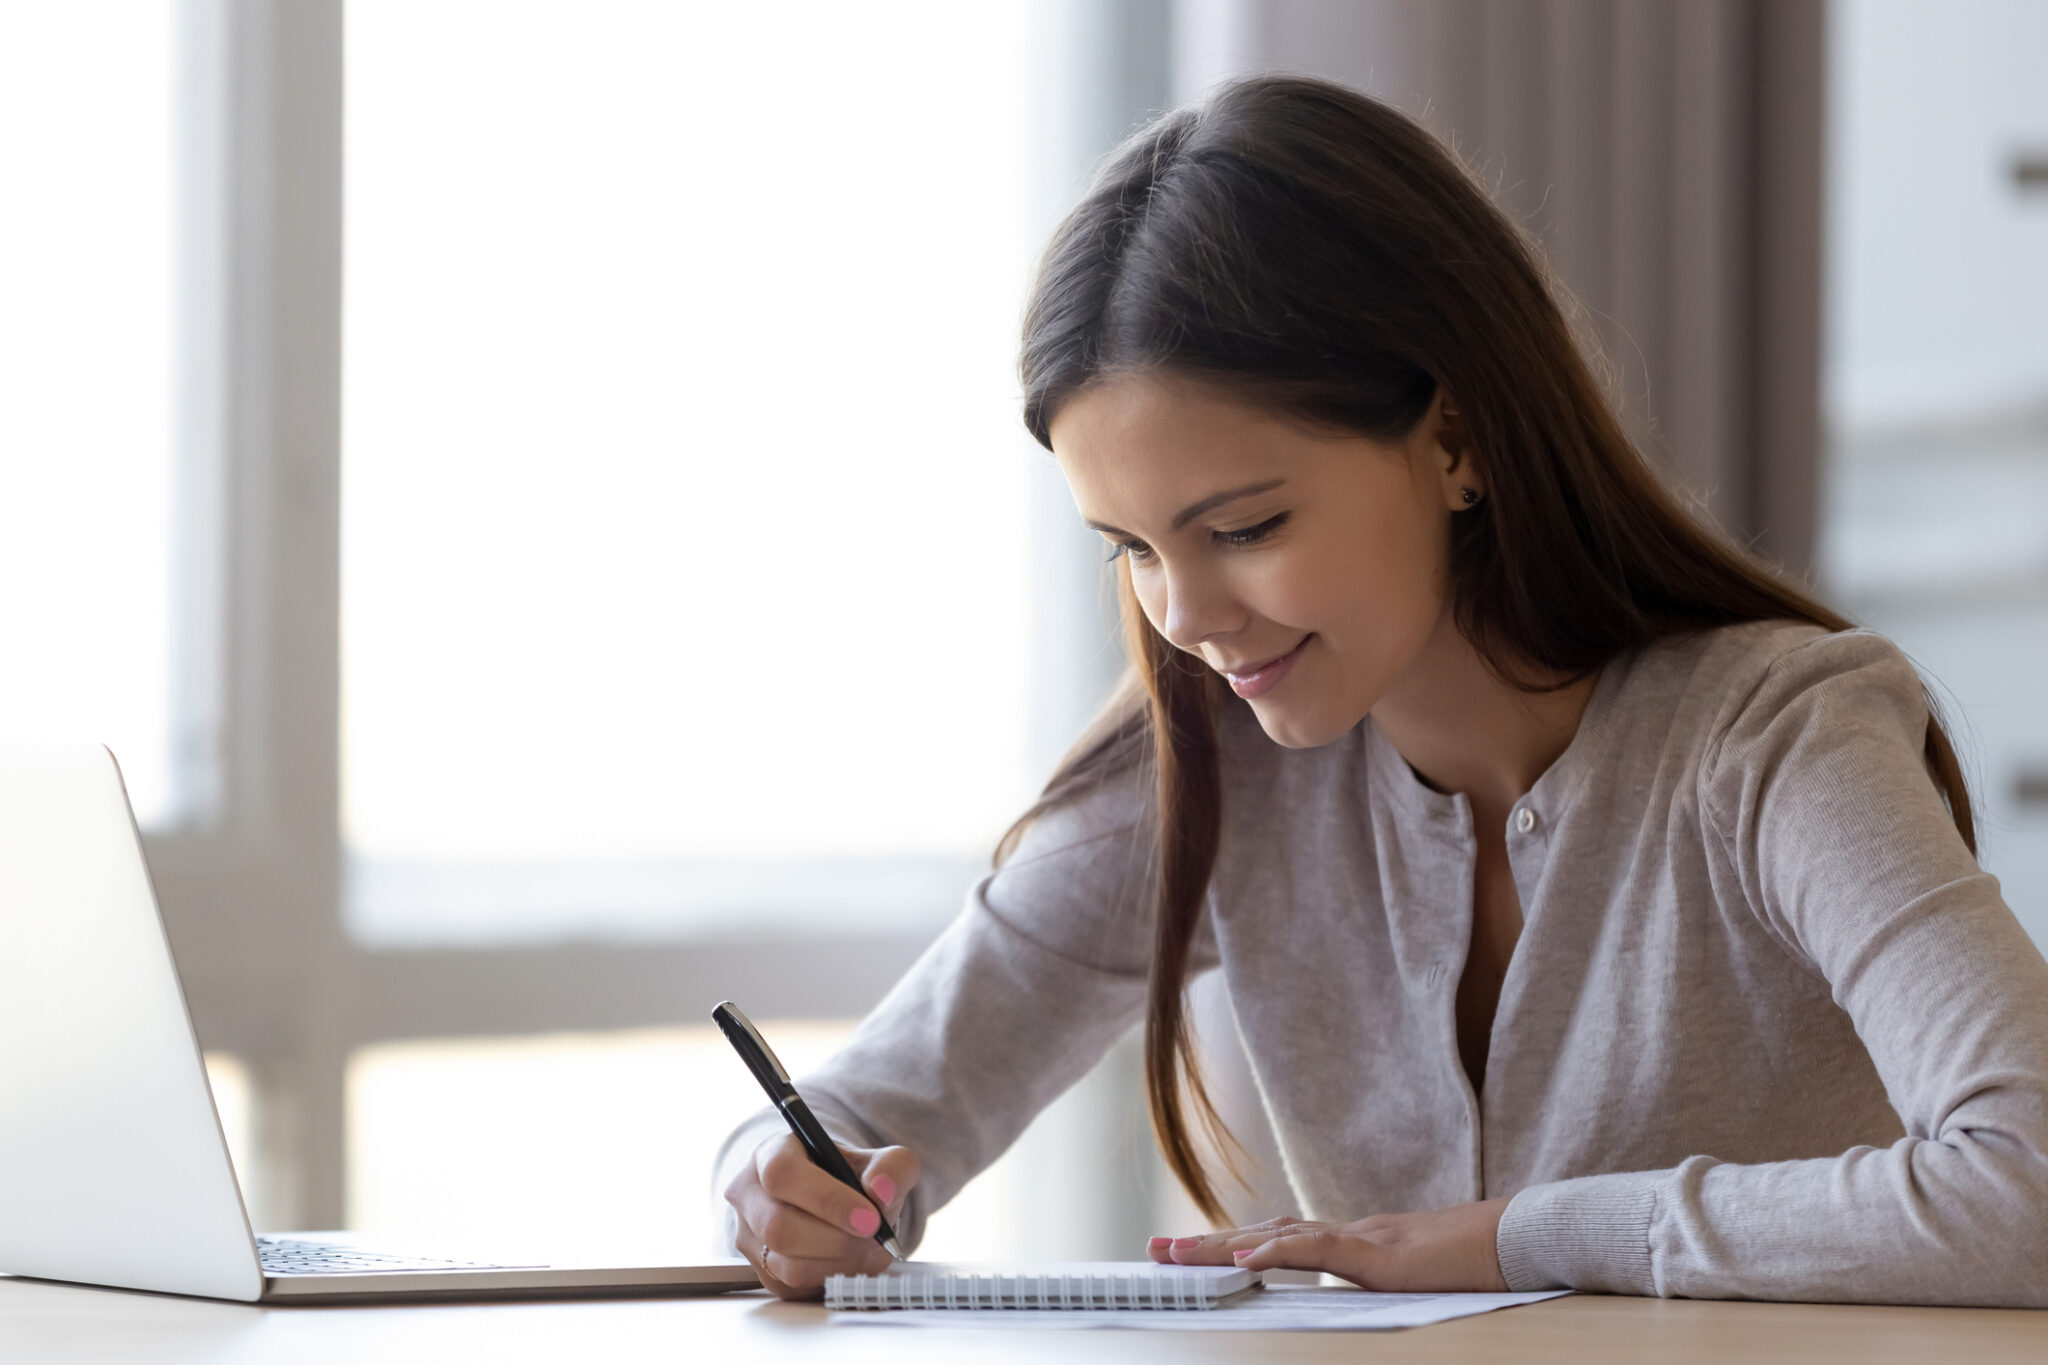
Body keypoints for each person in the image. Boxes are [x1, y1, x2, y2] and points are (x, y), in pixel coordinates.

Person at [714, 74, 2048, 1306]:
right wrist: (778, 1183)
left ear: (1455, 440)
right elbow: (848, 1117)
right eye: (1131, 549)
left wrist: (1514, 1232)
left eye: (1242, 526)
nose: (1183, 618)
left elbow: (2030, 1177)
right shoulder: (1210, 764)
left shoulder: (1777, 740)